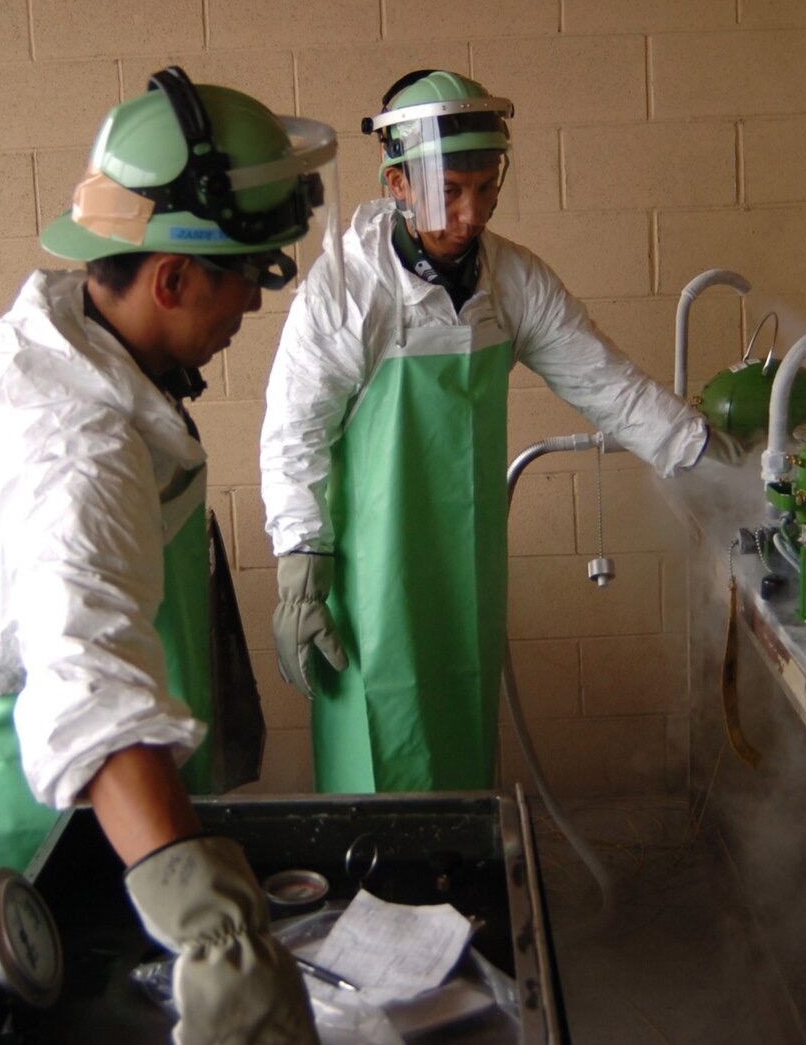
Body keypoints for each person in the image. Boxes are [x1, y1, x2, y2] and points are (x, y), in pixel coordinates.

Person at [0, 68, 332, 1044]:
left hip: (68, 768)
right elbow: (86, 691)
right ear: (171, 277)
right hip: (42, 806)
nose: (252, 305)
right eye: (246, 274)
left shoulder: (70, 339)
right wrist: (219, 934)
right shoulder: (81, 442)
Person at [259, 69, 744, 794]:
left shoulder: (512, 281)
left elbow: (607, 384)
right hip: (366, 575)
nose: (471, 212)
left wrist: (713, 459)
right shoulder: (346, 289)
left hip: (463, 563)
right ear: (397, 183)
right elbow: (293, 434)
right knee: (378, 751)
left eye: (486, 187)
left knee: (457, 740)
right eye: (449, 189)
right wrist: (299, 568)